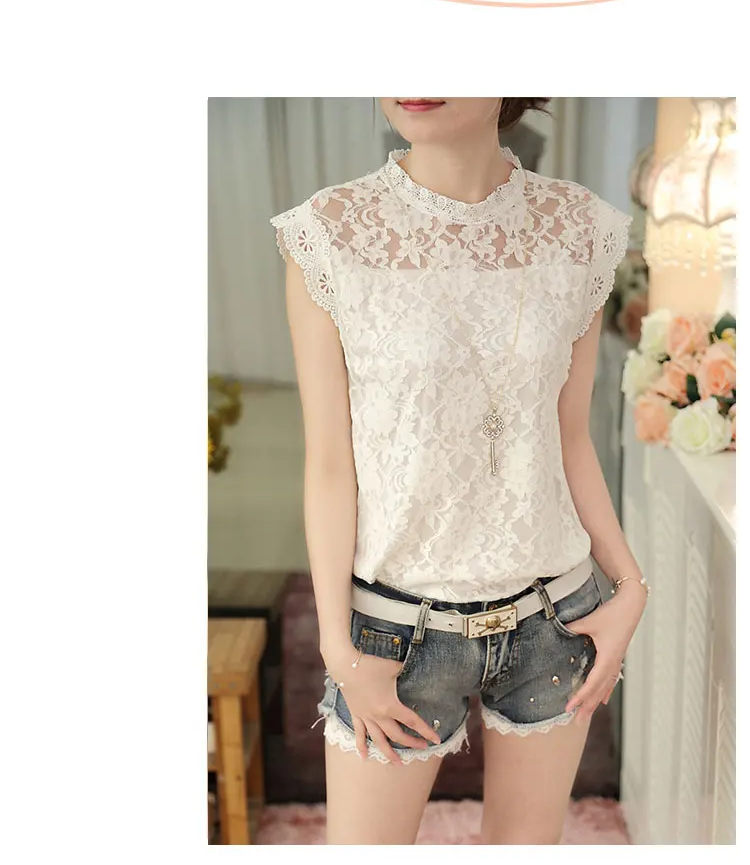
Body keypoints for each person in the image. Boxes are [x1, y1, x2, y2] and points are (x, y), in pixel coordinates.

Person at [270, 98, 649, 845]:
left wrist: (630, 584)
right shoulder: (330, 233)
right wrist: (339, 650)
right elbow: (330, 464)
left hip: (554, 618)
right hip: (394, 633)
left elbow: (570, 438)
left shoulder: (580, 229)